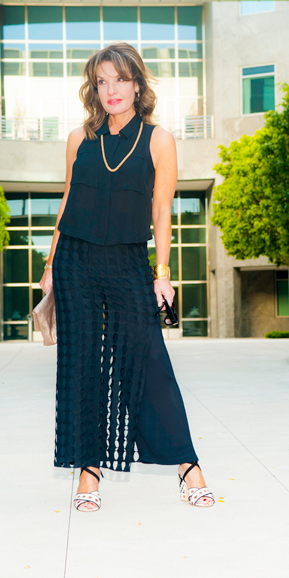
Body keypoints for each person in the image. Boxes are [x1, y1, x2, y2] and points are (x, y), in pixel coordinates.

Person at [39, 42, 214, 512]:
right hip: (76, 260)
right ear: (93, 89)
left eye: (119, 79)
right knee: (82, 367)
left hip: (128, 263)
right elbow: (67, 203)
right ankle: (88, 474)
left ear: (137, 83)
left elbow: (161, 211)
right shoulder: (80, 138)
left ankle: (187, 465)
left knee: (149, 359)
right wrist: (52, 265)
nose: (110, 89)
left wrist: (162, 273)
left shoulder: (159, 139)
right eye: (101, 82)